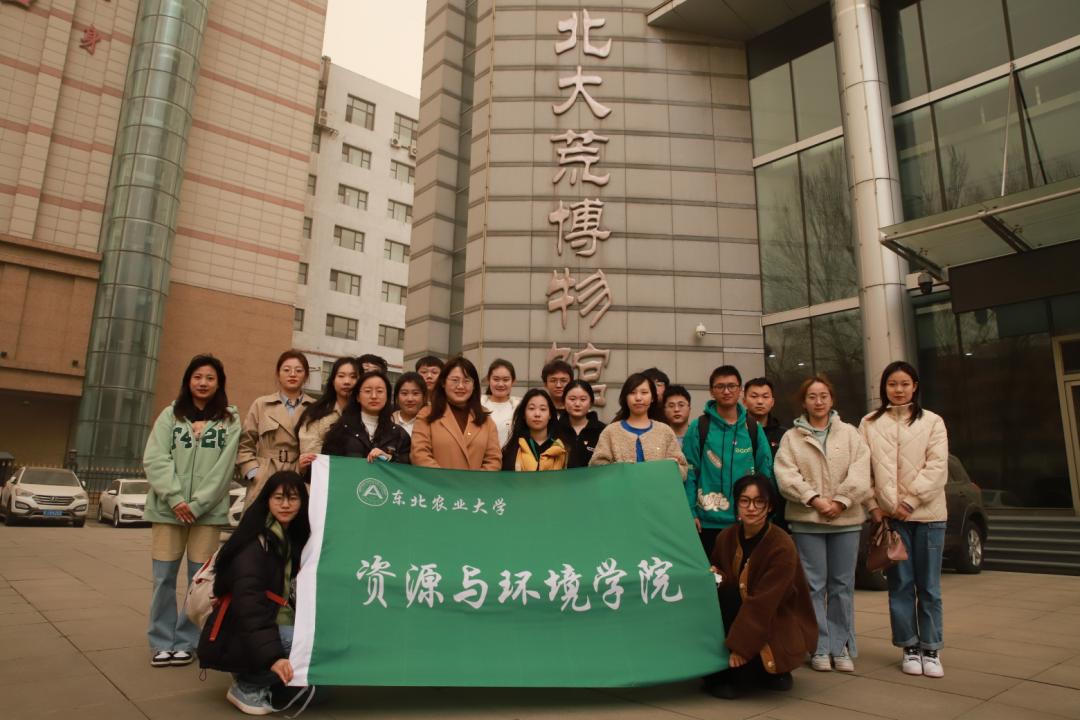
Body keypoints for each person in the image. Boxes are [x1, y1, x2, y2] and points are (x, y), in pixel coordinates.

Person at [143, 354, 240, 668]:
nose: (203, 383)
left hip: (206, 515)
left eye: (210, 378)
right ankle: (161, 641)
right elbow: (155, 458)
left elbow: (224, 468)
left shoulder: (229, 419)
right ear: (188, 380)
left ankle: (187, 640)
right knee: (163, 578)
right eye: (197, 377)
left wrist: (197, 505)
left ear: (219, 383)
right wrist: (174, 498)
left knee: (199, 580)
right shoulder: (170, 415)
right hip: (168, 511)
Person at [775, 376, 872, 673]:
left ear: (832, 399)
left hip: (846, 521)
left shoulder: (850, 434)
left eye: (824, 396)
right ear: (803, 402)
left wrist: (841, 501)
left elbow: (861, 472)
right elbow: (786, 475)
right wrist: (814, 499)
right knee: (812, 586)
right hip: (808, 521)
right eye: (812, 396)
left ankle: (840, 647)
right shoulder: (791, 438)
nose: (818, 401)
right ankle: (818, 646)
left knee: (842, 585)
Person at [860, 361, 949, 678]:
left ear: (915, 386)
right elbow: (862, 470)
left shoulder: (933, 422)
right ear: (884, 387)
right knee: (900, 585)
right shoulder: (869, 423)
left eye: (904, 384)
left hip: (929, 517)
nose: (898, 390)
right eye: (892, 384)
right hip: (891, 521)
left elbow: (937, 467)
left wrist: (910, 501)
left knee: (929, 587)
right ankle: (909, 646)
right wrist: (873, 507)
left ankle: (931, 648)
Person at [197, 471, 310, 716]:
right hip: (241, 630)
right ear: (267, 500)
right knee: (313, 647)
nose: (286, 504)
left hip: (271, 622)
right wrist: (273, 658)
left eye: (293, 498)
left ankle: (257, 674)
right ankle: (248, 685)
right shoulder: (254, 544)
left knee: (318, 688)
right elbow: (250, 608)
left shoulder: (292, 536)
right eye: (278, 498)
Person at [705, 474, 816, 700]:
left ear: (769, 506)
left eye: (759, 502)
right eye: (745, 501)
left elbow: (764, 602)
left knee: (742, 681)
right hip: (738, 614)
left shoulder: (781, 544)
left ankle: (771, 667)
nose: (751, 508)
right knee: (728, 597)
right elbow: (724, 581)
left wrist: (741, 646)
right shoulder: (726, 537)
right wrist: (717, 576)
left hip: (773, 616)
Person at [683, 365, 774, 555]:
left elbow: (765, 474)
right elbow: (689, 473)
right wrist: (690, 512)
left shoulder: (753, 428)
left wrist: (763, 512)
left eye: (732, 386)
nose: (726, 391)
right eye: (720, 386)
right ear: (711, 391)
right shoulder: (699, 427)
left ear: (740, 390)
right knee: (712, 573)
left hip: (747, 520)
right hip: (706, 522)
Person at [237, 350, 315, 507]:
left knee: (296, 519)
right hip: (265, 474)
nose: (292, 374)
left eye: (298, 370)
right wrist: (254, 472)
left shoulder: (315, 408)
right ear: (278, 374)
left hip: (299, 473)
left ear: (306, 376)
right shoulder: (261, 404)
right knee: (259, 520)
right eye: (286, 370)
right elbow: (245, 443)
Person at [589, 373, 688, 480]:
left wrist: (671, 466)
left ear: (652, 398)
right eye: (632, 393)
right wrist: (620, 469)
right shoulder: (611, 431)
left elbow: (682, 470)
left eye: (644, 392)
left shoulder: (665, 431)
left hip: (658, 490)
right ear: (625, 398)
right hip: (621, 490)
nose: (638, 398)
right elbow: (596, 467)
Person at [410, 356, 502, 470]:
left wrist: (476, 480)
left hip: (476, 482)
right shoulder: (426, 414)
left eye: (467, 381)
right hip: (436, 481)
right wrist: (446, 479)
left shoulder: (485, 419)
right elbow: (419, 454)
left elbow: (494, 460)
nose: (460, 386)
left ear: (474, 386)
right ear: (443, 382)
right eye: (455, 380)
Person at [322, 371, 411, 463]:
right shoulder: (340, 431)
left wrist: (389, 458)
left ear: (387, 396)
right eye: (368, 391)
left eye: (380, 391)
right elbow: (328, 465)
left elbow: (406, 468)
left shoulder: (399, 435)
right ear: (358, 397)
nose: (374, 396)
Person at [296, 357, 360, 470]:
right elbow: (311, 455)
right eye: (341, 376)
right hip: (323, 474)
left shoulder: (367, 413)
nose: (347, 381)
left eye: (353, 377)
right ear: (333, 380)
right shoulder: (316, 412)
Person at [501, 389, 583, 471]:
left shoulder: (565, 448)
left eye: (543, 409)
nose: (537, 414)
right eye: (531, 408)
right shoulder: (512, 450)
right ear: (523, 414)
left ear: (550, 414)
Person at [558, 379, 605, 465]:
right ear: (564, 402)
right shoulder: (554, 429)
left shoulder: (603, 431)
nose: (577, 404)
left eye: (583, 399)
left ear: (591, 403)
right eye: (572, 399)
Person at [481, 358, 519, 448]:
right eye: (496, 379)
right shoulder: (478, 405)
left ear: (513, 381)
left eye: (506, 380)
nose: (501, 384)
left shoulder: (519, 408)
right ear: (488, 380)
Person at [743, 378, 787, 456]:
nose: (760, 401)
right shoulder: (736, 430)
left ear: (772, 402)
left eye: (765, 396)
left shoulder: (784, 435)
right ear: (744, 401)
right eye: (754, 396)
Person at [391, 371, 427, 436]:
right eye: (404, 393)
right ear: (397, 397)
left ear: (424, 397)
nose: (410, 399)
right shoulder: (388, 421)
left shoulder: (432, 422)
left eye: (415, 393)